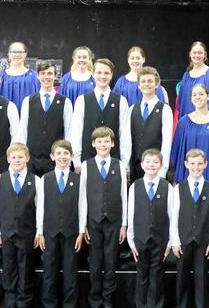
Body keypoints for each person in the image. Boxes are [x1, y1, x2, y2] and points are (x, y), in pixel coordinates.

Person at [80, 126, 128, 308]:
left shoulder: (120, 165)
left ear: (112, 143)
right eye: (99, 141)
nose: (103, 144)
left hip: (114, 221)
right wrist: (83, 225)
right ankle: (94, 299)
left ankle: (108, 301)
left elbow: (124, 195)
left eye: (106, 141)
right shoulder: (86, 166)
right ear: (93, 144)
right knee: (95, 260)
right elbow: (82, 197)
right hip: (93, 220)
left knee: (110, 260)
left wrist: (124, 224)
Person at [0, 143, 41, 308]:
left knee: (26, 270)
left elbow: (41, 209)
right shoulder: (0, 179)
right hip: (6, 233)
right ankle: (10, 302)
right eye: (14, 157)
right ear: (8, 159)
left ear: (27, 158)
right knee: (9, 268)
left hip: (27, 233)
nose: (17, 160)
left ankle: (24, 302)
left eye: (20, 157)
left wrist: (39, 232)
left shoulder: (36, 181)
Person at [36, 140, 85, 308]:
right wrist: (40, 232)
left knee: (70, 271)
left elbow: (82, 205)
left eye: (66, 153)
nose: (62, 157)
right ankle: (49, 303)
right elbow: (40, 207)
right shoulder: (45, 179)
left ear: (71, 157)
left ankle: (69, 304)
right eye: (59, 153)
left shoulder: (78, 179)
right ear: (52, 156)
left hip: (71, 232)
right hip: (50, 232)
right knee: (49, 270)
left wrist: (81, 232)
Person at [127, 149, 176, 308]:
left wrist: (169, 243)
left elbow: (172, 215)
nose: (151, 165)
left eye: (155, 162)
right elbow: (131, 214)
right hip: (140, 238)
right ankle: (141, 305)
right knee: (141, 275)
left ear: (161, 165)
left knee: (157, 275)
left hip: (160, 239)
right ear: (142, 165)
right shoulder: (135, 186)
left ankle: (156, 305)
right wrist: (131, 241)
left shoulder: (167, 187)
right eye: (148, 161)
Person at [170, 149, 209, 308]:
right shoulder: (178, 188)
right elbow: (174, 215)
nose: (196, 167)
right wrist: (175, 240)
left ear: (206, 164)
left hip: (203, 241)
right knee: (181, 278)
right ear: (186, 164)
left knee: (201, 279)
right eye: (192, 164)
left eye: (199, 164)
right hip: (183, 239)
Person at [15, 60, 73, 176]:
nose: (46, 77)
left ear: (55, 76)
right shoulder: (28, 101)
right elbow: (23, 130)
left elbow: (69, 132)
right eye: (43, 73)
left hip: (55, 159)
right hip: (32, 159)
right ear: (38, 75)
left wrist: (68, 158)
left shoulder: (65, 102)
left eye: (50, 73)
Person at [71, 58, 130, 171]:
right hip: (87, 160)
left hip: (114, 160)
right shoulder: (82, 100)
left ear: (111, 75)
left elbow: (125, 135)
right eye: (99, 72)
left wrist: (125, 164)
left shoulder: (121, 101)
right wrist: (76, 161)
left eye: (106, 73)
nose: (103, 76)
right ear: (93, 74)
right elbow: (76, 133)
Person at [171, 83, 209, 192]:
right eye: (194, 95)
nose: (198, 97)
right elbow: (177, 155)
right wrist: (175, 181)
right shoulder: (183, 122)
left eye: (201, 94)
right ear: (191, 99)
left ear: (208, 97)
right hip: (185, 183)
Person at [125, 66, 173, 182]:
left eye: (150, 81)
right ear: (138, 85)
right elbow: (127, 141)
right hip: (135, 169)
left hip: (156, 169)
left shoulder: (165, 110)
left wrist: (163, 170)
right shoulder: (132, 109)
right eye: (143, 81)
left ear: (157, 84)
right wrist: (127, 167)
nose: (146, 84)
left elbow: (167, 143)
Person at [176, 41, 209, 118]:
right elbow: (182, 104)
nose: (197, 55)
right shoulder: (186, 76)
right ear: (190, 54)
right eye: (194, 52)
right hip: (188, 122)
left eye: (200, 53)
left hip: (204, 122)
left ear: (205, 55)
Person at [0, 41, 40, 112]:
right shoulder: (0, 76)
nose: (17, 54)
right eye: (14, 52)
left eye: (20, 52)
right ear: (9, 54)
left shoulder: (34, 76)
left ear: (25, 54)